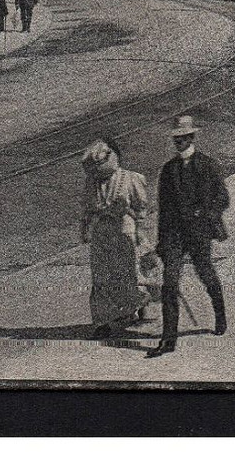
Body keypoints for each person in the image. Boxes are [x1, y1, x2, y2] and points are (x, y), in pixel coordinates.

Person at [147, 116, 229, 359]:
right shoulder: (168, 170)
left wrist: (203, 213)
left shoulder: (208, 165)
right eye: (176, 138)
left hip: (199, 232)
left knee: (206, 273)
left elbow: (223, 199)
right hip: (173, 235)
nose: (178, 142)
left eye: (182, 138)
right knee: (169, 283)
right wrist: (161, 243)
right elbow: (164, 209)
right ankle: (168, 339)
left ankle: (220, 314)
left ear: (192, 138)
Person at [79, 137, 151, 339]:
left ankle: (137, 306)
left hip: (124, 229)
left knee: (129, 273)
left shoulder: (130, 179)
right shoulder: (91, 183)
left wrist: (141, 234)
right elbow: (86, 209)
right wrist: (84, 229)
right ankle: (102, 321)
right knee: (101, 276)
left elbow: (142, 209)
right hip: (101, 232)